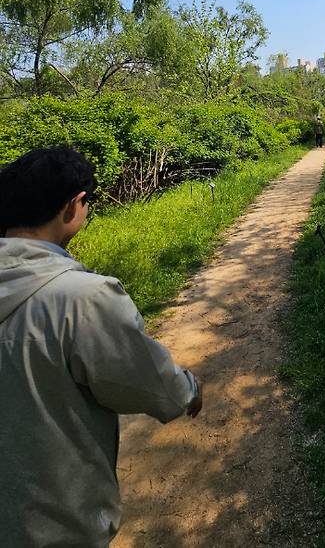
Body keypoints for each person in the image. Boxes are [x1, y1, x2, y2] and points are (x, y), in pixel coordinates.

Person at [0, 147, 203, 547]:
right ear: (73, 206)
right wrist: (187, 390)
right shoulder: (83, 298)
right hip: (55, 523)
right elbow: (146, 380)